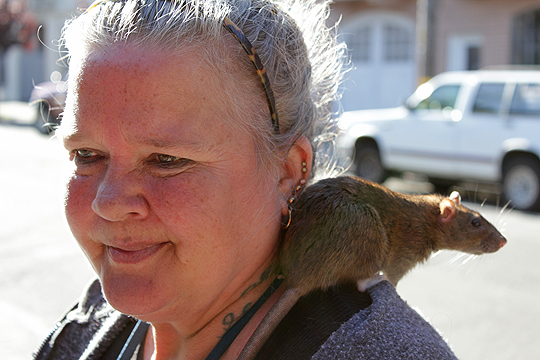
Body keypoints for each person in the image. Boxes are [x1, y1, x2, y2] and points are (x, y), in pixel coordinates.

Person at [33, 0, 458, 359]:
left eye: (165, 160)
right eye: (86, 155)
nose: (107, 202)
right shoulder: (87, 329)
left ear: (288, 171)